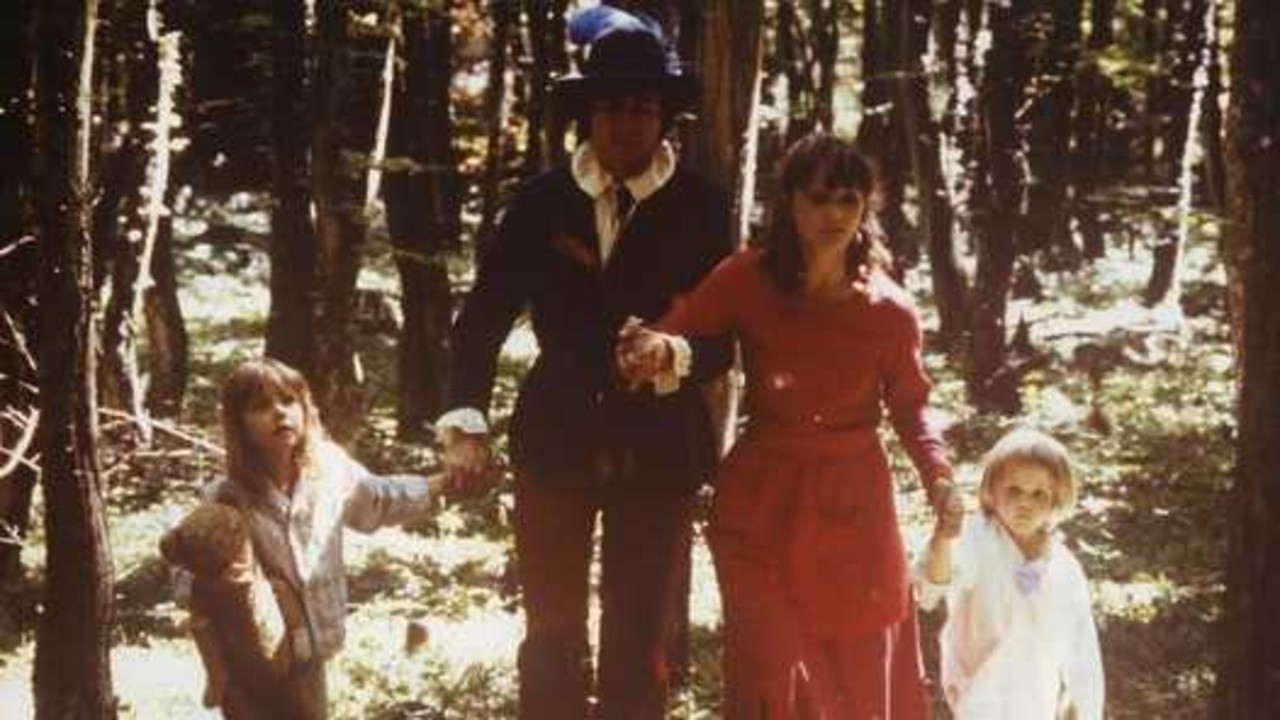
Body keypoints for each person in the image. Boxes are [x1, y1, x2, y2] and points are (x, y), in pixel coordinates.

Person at [435, 6, 733, 718]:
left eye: (642, 107)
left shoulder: (700, 204)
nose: (626, 123)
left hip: (660, 447)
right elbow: (482, 318)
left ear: (665, 117)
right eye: (610, 106)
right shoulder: (541, 202)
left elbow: (726, 338)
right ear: (586, 114)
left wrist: (672, 353)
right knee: (551, 632)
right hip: (556, 436)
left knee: (640, 638)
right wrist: (466, 422)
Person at [615, 132, 961, 718]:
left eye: (848, 200)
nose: (834, 214)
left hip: (853, 508)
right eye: (819, 198)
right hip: (760, 504)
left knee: (855, 675)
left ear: (865, 208)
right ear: (790, 202)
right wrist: (649, 345)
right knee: (771, 670)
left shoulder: (890, 311)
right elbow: (682, 325)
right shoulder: (746, 277)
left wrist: (939, 477)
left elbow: (912, 407)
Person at [186, 357, 446, 719]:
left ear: (306, 408)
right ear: (238, 425)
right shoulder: (228, 496)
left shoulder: (328, 469)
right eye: (260, 407)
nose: (280, 413)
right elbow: (186, 570)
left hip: (310, 649)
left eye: (288, 401)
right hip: (250, 657)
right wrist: (221, 580)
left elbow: (376, 499)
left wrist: (441, 486)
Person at [917, 427, 1104, 719]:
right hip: (979, 695)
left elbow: (1081, 646)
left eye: (1039, 494)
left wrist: (1082, 705)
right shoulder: (977, 538)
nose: (1024, 503)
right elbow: (934, 584)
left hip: (1035, 698)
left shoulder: (1062, 566)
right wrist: (943, 538)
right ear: (992, 491)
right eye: (1014, 490)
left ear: (1056, 499)